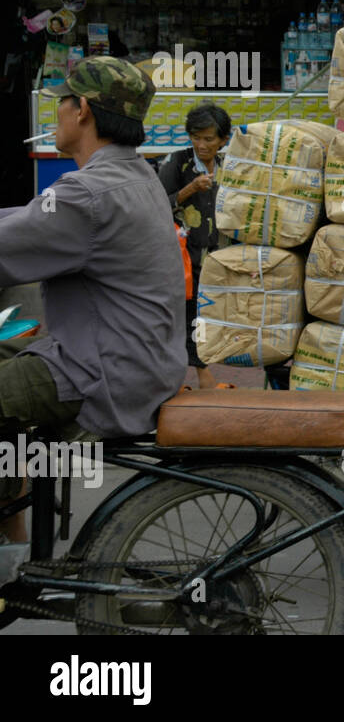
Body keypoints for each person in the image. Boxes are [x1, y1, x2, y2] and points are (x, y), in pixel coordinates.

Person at [0, 57, 186, 541]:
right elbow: (30, 220)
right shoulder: (135, 175)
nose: (56, 114)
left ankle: (12, 539)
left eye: (60, 103)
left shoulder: (88, 192)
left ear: (81, 109)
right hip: (139, 362)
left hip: (98, 371)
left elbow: (16, 241)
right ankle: (13, 533)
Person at [156, 103, 232, 389]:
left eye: (209, 139)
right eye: (196, 137)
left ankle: (195, 373)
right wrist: (190, 189)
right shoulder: (177, 162)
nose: (201, 144)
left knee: (207, 316)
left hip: (219, 257)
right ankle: (200, 375)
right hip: (185, 260)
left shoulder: (231, 166)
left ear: (223, 140)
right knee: (188, 316)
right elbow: (158, 205)